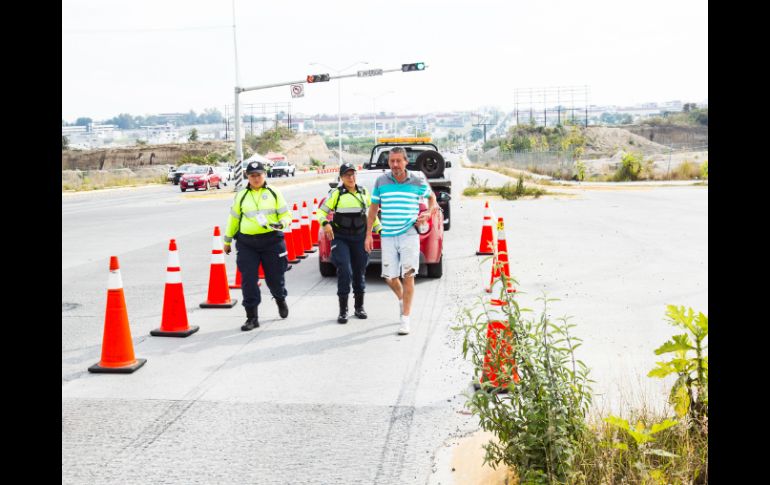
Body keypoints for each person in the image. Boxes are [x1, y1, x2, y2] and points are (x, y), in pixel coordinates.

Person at [365, 147, 439, 335]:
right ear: (388, 163)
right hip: (388, 235)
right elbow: (373, 210)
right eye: (392, 161)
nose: (395, 165)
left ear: (406, 161)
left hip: (409, 234)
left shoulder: (417, 180)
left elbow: (433, 199)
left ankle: (405, 319)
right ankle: (402, 299)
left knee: (409, 274)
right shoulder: (381, 181)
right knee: (390, 277)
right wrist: (368, 235)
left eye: (399, 161)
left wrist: (427, 213)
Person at [223, 161, 292, 331]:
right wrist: (227, 240)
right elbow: (234, 218)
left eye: (259, 174)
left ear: (264, 174)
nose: (256, 178)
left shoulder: (274, 192)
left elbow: (286, 214)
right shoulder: (241, 195)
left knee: (275, 278)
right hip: (247, 244)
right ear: (247, 176)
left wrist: (282, 223)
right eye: (252, 175)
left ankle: (280, 298)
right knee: (248, 280)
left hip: (272, 242)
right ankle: (251, 317)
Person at [317, 163, 382, 324]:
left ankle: (359, 307)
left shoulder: (364, 192)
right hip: (341, 238)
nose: (351, 178)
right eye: (347, 175)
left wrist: (379, 229)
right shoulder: (336, 194)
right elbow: (321, 212)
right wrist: (325, 223)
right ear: (341, 178)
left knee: (359, 272)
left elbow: (371, 214)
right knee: (344, 271)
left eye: (353, 174)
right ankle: (343, 310)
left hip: (359, 238)